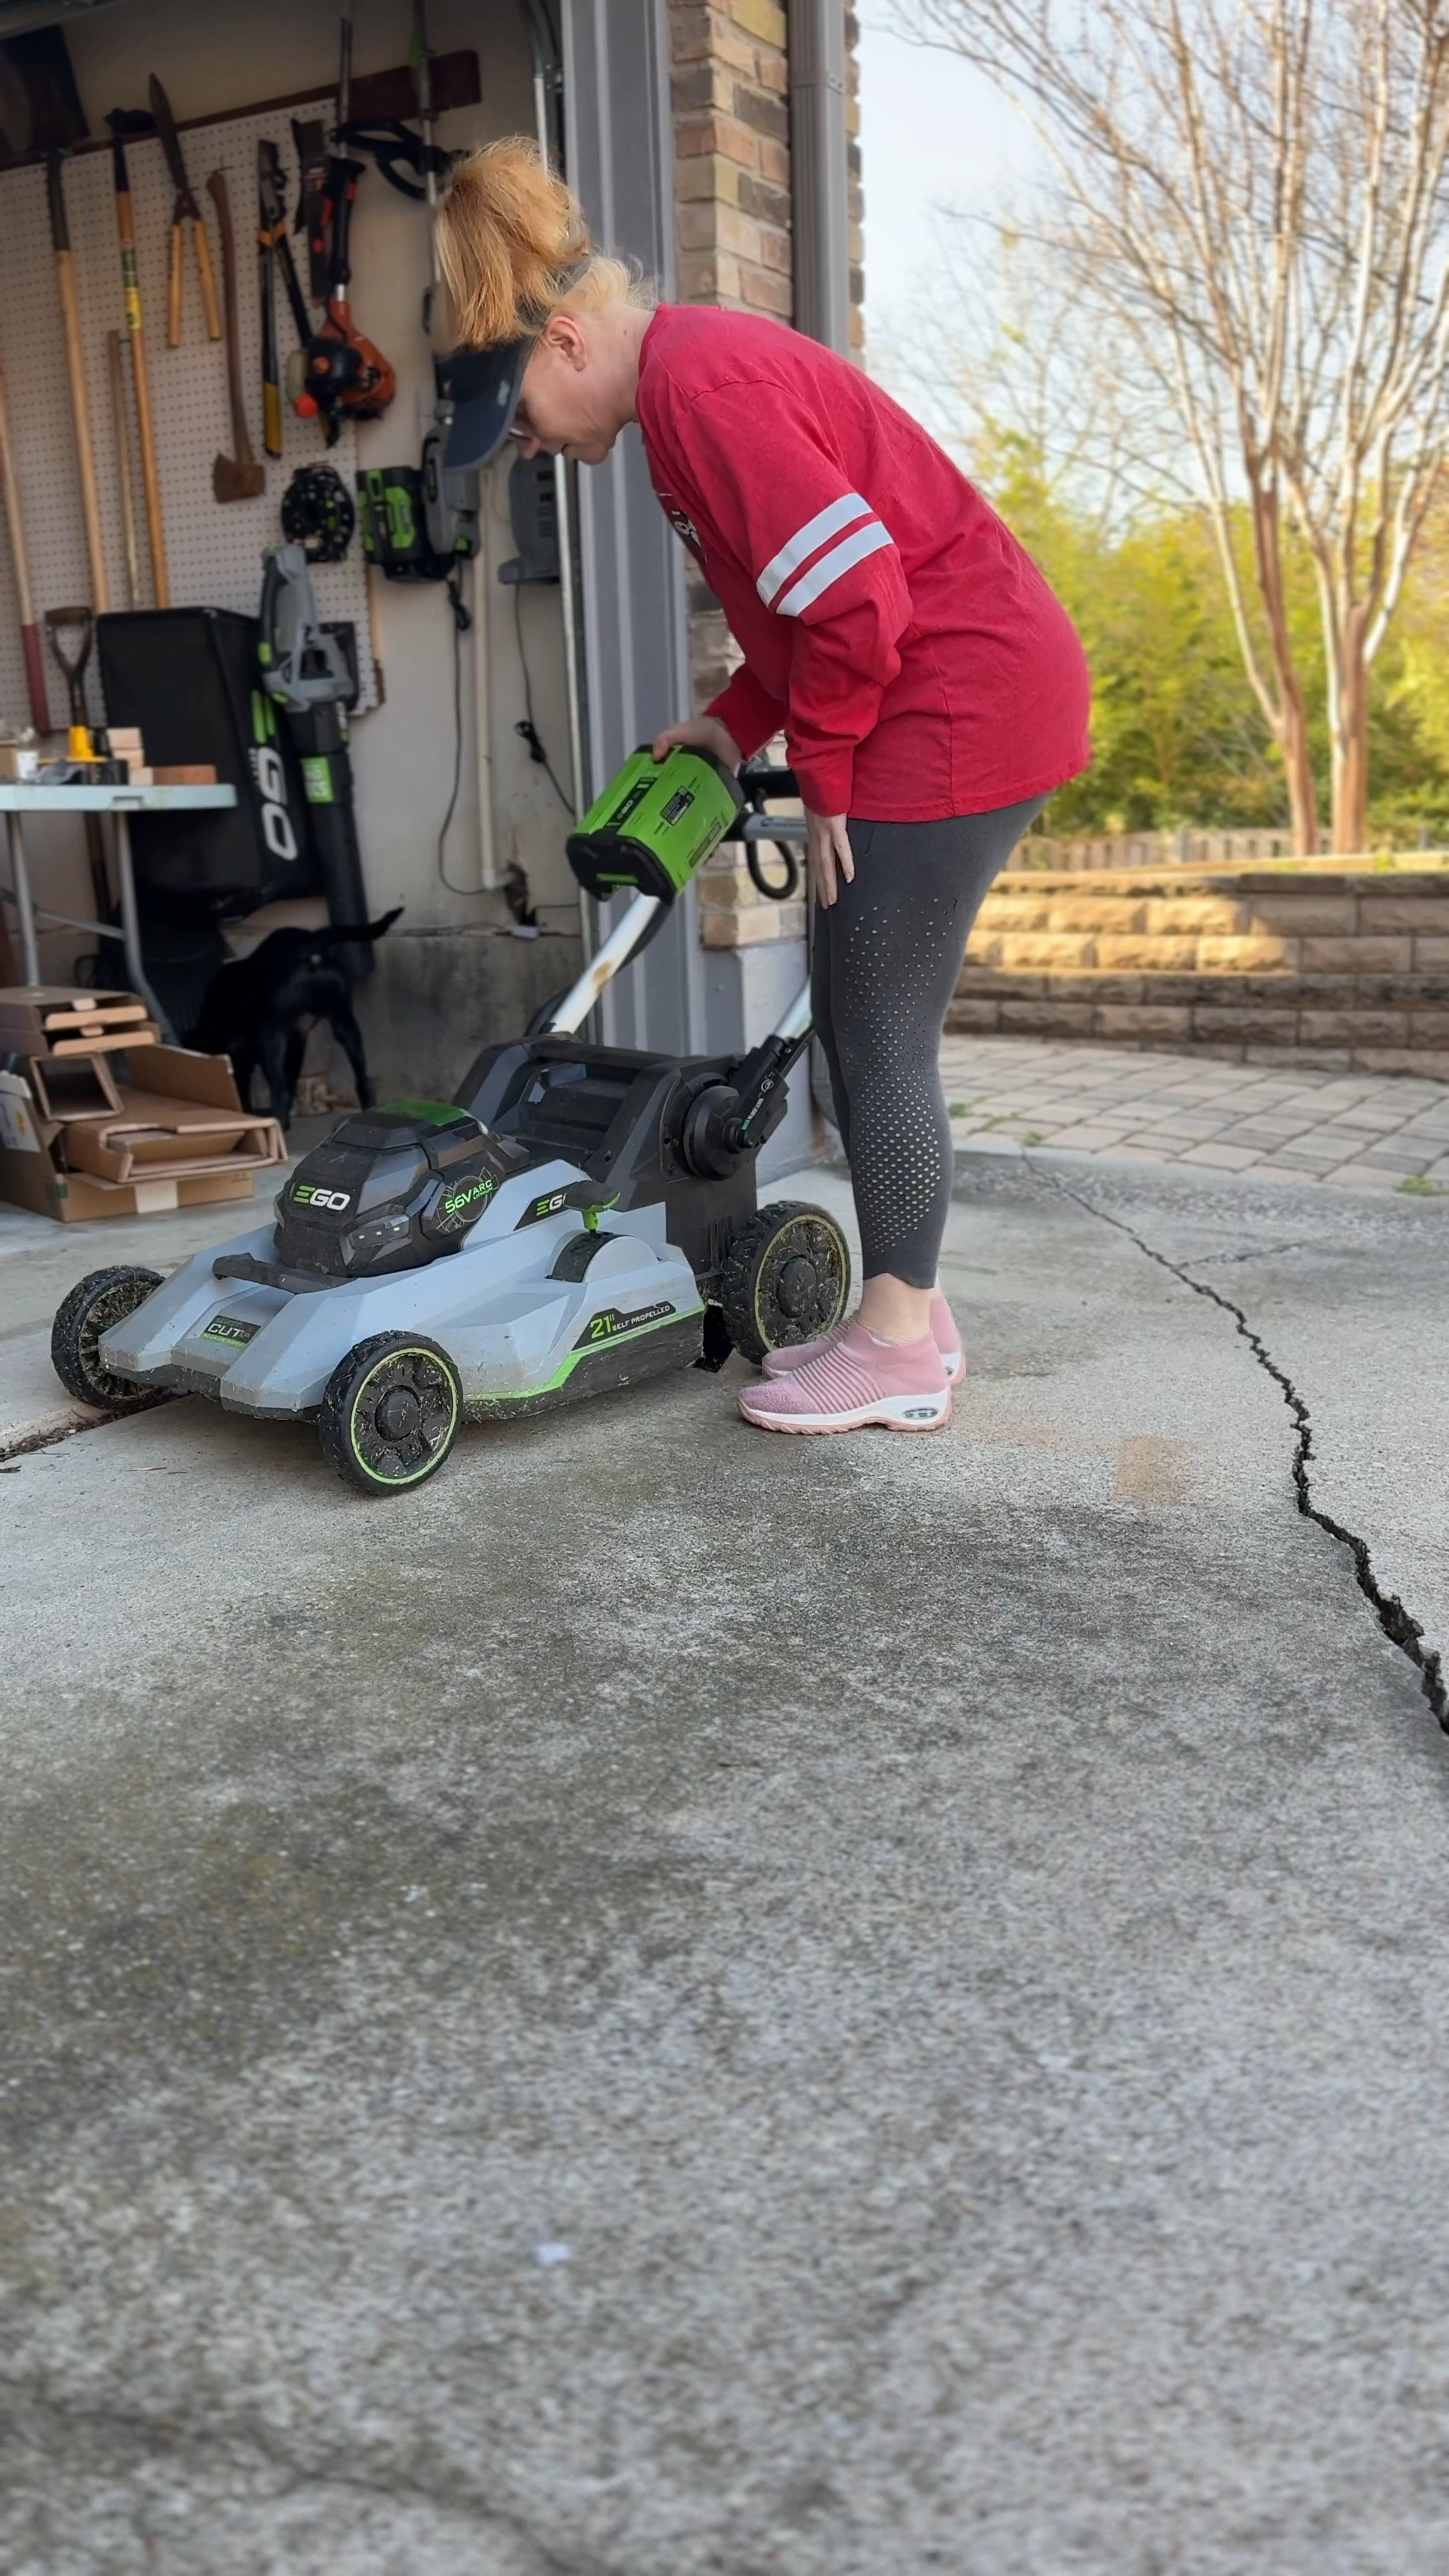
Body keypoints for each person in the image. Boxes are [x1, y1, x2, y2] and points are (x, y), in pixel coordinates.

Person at [436, 139, 1090, 1438]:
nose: (525, 448)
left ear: (564, 342)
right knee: (860, 1027)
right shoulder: (683, 392)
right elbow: (804, 609)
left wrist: (830, 772)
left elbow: (859, 604)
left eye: (514, 419)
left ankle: (899, 1345)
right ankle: (913, 1311)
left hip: (955, 699)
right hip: (942, 684)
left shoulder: (705, 387)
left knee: (872, 1031)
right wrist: (737, 725)